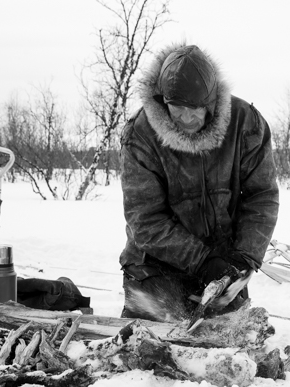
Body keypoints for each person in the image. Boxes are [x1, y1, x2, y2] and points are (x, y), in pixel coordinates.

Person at [119, 43, 279, 322]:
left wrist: (243, 258)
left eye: (194, 108)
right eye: (175, 107)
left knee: (231, 344)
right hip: (156, 266)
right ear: (161, 100)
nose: (185, 117)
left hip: (222, 262)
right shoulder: (140, 135)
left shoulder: (245, 123)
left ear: (212, 101)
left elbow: (261, 196)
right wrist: (202, 261)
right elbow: (145, 220)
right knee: (150, 348)